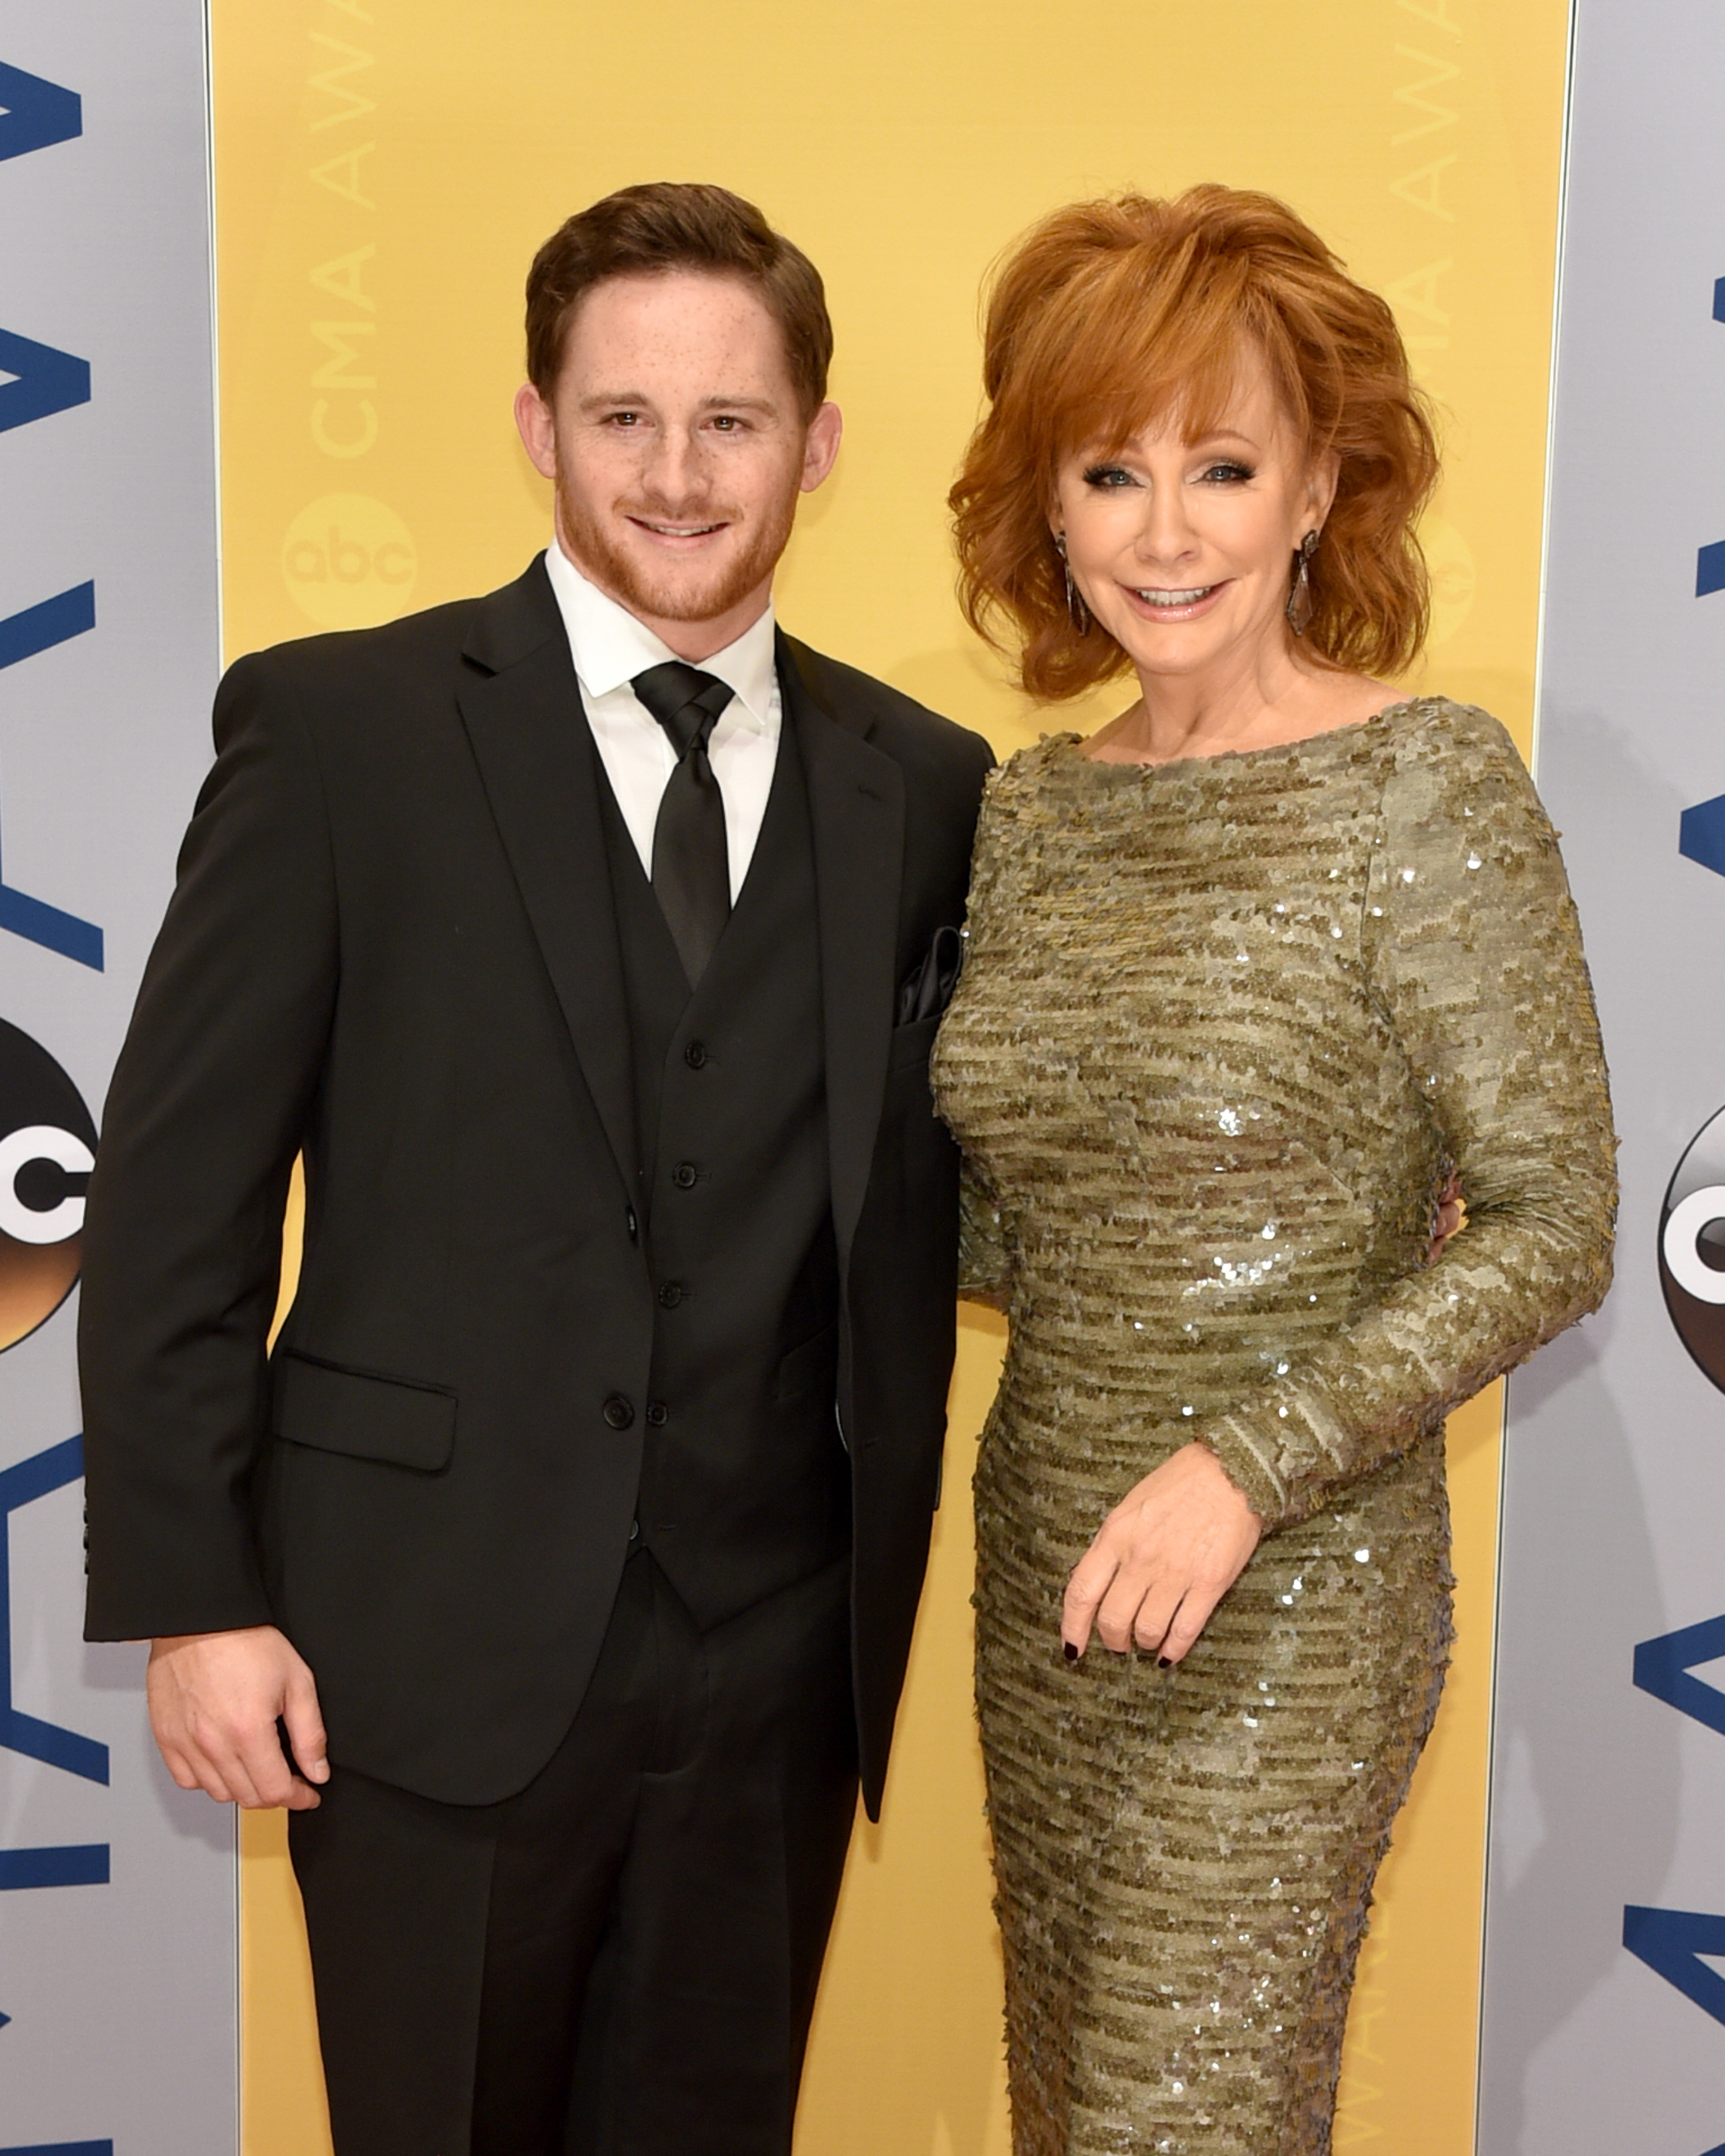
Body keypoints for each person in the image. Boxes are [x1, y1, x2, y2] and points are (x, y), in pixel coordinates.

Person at [78, 181, 992, 2156]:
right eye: (622, 417)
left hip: (775, 1662)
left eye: (733, 421)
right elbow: (173, 1205)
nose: (678, 474)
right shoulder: (342, 732)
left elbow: (955, 1169)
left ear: (817, 447)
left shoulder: (922, 786)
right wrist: (194, 1597)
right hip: (418, 1651)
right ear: (535, 425)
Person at [933, 184, 1616, 2155]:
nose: (1166, 531)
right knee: (1069, 2110)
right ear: (1046, 506)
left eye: (1221, 466)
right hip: (1047, 1581)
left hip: (1293, 1602)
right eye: (1111, 469)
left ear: (1318, 490)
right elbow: (1021, 1213)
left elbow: (1561, 1218)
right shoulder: (1031, 814)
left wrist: (1243, 1467)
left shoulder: (1425, 782)